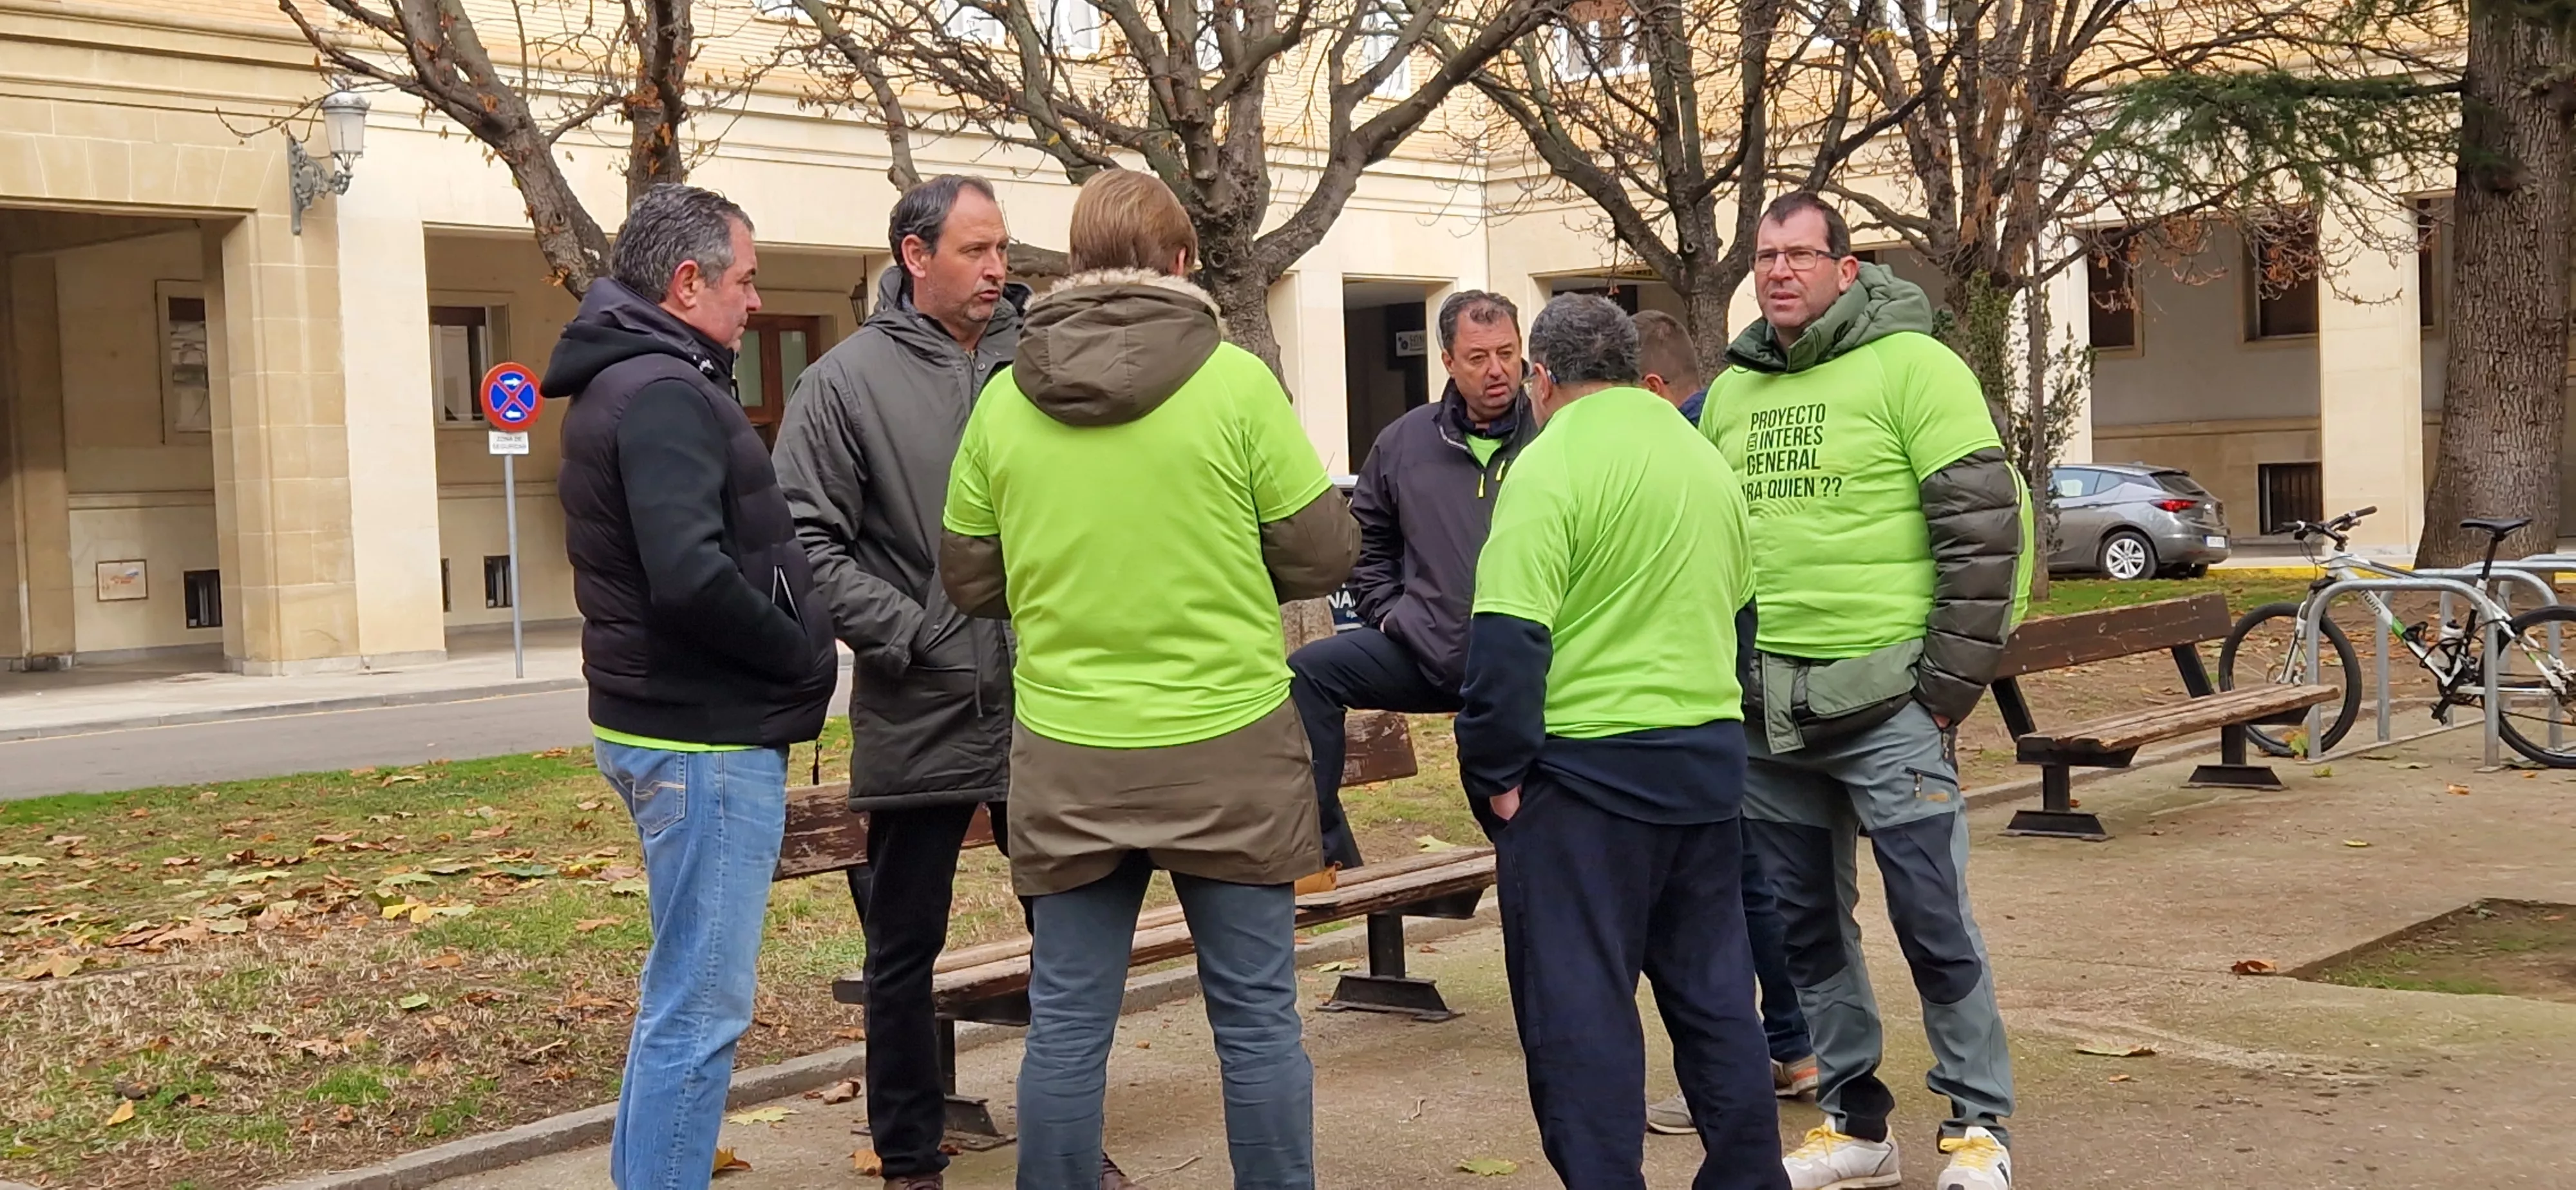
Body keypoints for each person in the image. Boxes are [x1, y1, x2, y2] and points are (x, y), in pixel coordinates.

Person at [940, 168, 1357, 1190]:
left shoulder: (1003, 403)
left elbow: (968, 576)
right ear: (1182, 263)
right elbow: (1324, 557)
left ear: (1075, 266)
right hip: (1231, 751)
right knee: (1257, 1019)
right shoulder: (1236, 383)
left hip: (1072, 755)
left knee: (1070, 1025)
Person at [1700, 192, 2031, 1190]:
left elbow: (1984, 537)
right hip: (1771, 721)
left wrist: (1941, 694)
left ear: (1848, 269)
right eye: (1765, 255)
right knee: (1806, 931)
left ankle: (1978, 1126)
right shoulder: (1729, 395)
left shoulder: (1917, 367)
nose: (1780, 271)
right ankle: (1856, 1124)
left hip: (1893, 708)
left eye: (1802, 253)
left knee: (1932, 918)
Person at [771, 176, 1088, 1190]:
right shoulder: (842, 383)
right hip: (922, 703)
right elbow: (804, 541)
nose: (999, 269)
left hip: (1048, 703)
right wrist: (911, 636)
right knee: (903, 951)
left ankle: (1073, 1145)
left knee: (1071, 940)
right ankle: (909, 1155)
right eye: (977, 250)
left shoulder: (1042, 366)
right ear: (916, 256)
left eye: (1005, 251)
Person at [1454, 294, 1787, 1190]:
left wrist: (1494, 775)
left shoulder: (1548, 463)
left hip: (1586, 784)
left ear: (1544, 378)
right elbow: (1741, 619)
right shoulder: (1702, 457)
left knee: (1581, 1018)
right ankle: (1750, 1176)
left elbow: (1509, 641)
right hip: (1706, 772)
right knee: (1719, 1003)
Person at [547, 183, 838, 1189]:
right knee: (703, 1005)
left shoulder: (640, 382)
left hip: (679, 731)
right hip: (702, 742)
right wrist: (799, 650)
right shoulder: (663, 392)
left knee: (682, 996)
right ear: (687, 282)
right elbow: (692, 576)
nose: (756, 302)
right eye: (747, 280)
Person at [1631, 309, 1823, 1131]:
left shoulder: (1682, 444)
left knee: (1728, 896)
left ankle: (1754, 1064)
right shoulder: (1734, 421)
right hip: (1771, 678)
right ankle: (1798, 1046)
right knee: (1767, 884)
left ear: (1647, 388)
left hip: (1714, 692)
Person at [1289, 290, 1537, 862]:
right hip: (1427, 650)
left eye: (1507, 352)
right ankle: (1327, 857)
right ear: (1447, 361)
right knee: (1309, 673)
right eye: (1478, 357)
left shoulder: (1551, 435)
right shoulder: (1403, 442)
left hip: (1529, 666)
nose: (1497, 370)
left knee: (1520, 835)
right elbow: (1367, 542)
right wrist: (1391, 614)